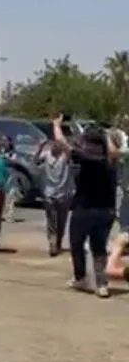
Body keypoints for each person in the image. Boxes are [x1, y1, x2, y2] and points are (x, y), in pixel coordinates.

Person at [53, 117, 120, 298]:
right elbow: (114, 151)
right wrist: (106, 134)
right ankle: (101, 284)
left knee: (77, 243)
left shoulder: (88, 158)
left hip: (85, 209)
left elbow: (62, 143)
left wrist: (56, 125)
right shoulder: (110, 160)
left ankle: (81, 277)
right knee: (99, 248)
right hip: (106, 211)